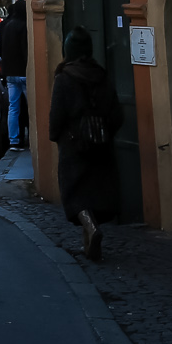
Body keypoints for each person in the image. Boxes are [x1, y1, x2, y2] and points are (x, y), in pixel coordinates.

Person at [50, 28, 123, 260]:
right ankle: (89, 245)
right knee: (96, 190)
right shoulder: (101, 75)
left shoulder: (64, 78)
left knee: (75, 193)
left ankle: (92, 230)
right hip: (101, 144)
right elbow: (117, 114)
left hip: (73, 145)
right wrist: (104, 132)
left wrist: (56, 135)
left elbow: (56, 115)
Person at [0, 0, 31, 150]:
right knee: (32, 107)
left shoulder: (7, 26)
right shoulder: (24, 26)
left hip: (10, 73)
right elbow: (26, 51)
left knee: (13, 107)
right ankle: (33, 138)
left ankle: (14, 140)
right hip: (24, 72)